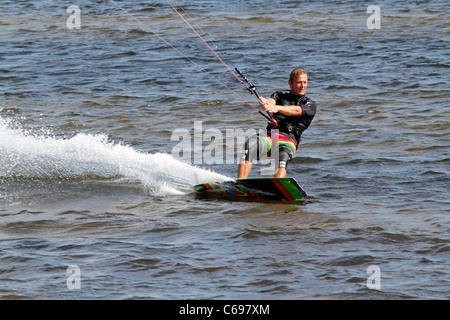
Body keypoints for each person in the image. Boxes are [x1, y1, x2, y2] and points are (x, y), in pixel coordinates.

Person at [238, 67, 316, 179]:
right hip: (271, 135)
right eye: (299, 82)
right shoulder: (279, 95)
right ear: (290, 83)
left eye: (305, 82)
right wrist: (267, 102)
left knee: (282, 159)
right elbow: (271, 101)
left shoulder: (309, 104)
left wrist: (277, 108)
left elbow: (296, 110)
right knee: (249, 146)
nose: (302, 86)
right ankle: (240, 183)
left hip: (289, 139)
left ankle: (278, 185)